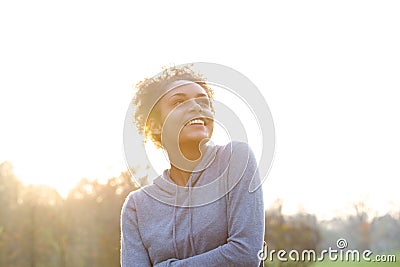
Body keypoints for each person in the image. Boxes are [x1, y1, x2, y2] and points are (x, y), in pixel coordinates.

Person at [121, 65, 265, 266]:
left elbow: (246, 254)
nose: (196, 107)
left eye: (203, 101)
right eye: (179, 102)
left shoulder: (235, 160)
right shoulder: (137, 206)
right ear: (155, 125)